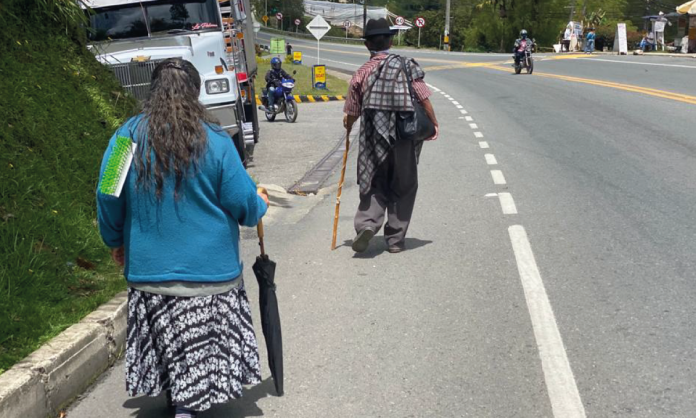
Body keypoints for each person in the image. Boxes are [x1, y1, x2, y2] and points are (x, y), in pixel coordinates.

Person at [96, 58, 269, 418]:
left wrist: (115, 240)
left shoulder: (124, 138)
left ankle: (180, 397)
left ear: (151, 92)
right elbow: (243, 203)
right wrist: (260, 203)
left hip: (150, 275)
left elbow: (108, 193)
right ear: (196, 93)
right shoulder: (217, 140)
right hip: (211, 276)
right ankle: (188, 407)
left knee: (169, 341)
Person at [343, 18, 439, 254]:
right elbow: (423, 97)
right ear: (390, 41)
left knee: (373, 181)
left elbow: (352, 112)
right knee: (404, 185)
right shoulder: (406, 65)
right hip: (403, 136)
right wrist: (433, 123)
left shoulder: (361, 73)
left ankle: (367, 225)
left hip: (372, 139)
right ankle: (395, 240)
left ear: (367, 45)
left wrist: (348, 126)